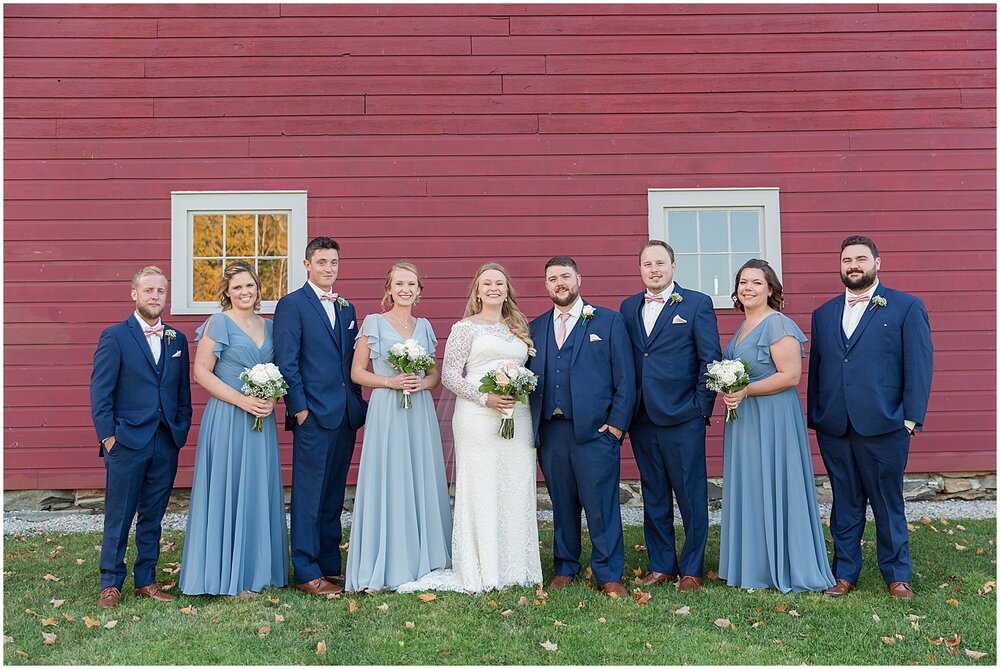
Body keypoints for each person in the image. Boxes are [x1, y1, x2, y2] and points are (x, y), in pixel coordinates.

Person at [397, 263, 542, 594]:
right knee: (483, 485)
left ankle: (517, 567)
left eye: (499, 283)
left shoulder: (517, 328)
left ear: (507, 291)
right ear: (477, 291)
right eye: (486, 283)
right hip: (477, 416)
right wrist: (485, 398)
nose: (493, 288)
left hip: (516, 415)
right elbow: (449, 375)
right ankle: (483, 569)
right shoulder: (465, 328)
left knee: (515, 484)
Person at [807, 236, 933, 600]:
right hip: (835, 426)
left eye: (861, 258)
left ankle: (897, 575)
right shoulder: (824, 313)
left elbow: (919, 365)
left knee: (887, 502)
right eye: (847, 260)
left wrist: (910, 418)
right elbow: (819, 368)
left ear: (878, 262)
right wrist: (818, 415)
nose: (853, 265)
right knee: (844, 503)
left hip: (885, 424)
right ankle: (844, 574)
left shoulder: (906, 307)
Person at [717, 259, 835, 593]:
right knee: (752, 485)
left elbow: (791, 376)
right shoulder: (742, 327)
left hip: (773, 418)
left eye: (756, 282)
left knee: (775, 482)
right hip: (745, 420)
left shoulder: (777, 324)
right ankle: (754, 566)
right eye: (743, 282)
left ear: (770, 289)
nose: (748, 288)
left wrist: (745, 389)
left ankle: (788, 565)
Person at [528, 256, 636, 597]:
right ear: (545, 285)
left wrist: (616, 427)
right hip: (551, 430)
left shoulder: (608, 322)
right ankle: (565, 566)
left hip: (596, 432)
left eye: (565, 276)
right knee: (561, 502)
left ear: (578, 280)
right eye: (552, 278)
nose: (559, 283)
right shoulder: (536, 327)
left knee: (601, 504)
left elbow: (626, 379)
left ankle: (607, 572)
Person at [180, 262, 289, 597]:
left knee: (257, 487)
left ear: (258, 290)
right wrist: (243, 401)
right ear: (227, 291)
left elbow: (278, 369)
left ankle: (259, 569)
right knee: (229, 487)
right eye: (238, 287)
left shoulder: (269, 326)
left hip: (261, 420)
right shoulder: (219, 323)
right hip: (228, 417)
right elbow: (202, 372)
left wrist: (271, 397)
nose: (245, 292)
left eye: (250, 286)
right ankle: (227, 574)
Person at [619, 240, 721, 593]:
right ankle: (661, 564)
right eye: (648, 264)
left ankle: (692, 567)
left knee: (691, 495)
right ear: (641, 269)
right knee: (654, 493)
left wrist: (700, 408)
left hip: (683, 416)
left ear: (673, 266)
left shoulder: (696, 304)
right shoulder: (628, 306)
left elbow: (710, 358)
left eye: (660, 263)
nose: (654, 270)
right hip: (642, 417)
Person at [345, 262, 452, 592]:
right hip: (387, 410)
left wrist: (424, 384)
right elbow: (357, 373)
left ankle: (426, 556)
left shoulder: (424, 327)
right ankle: (388, 560)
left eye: (412, 284)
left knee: (420, 476)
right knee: (389, 477)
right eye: (399, 284)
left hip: (418, 410)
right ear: (388, 289)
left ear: (419, 290)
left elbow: (434, 374)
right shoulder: (373, 323)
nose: (405, 289)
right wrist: (390, 381)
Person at [90, 266, 192, 608]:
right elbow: (100, 393)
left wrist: (179, 429)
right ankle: (111, 582)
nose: (154, 296)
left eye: (160, 291)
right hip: (127, 442)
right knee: (118, 515)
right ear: (134, 294)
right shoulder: (115, 336)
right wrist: (109, 439)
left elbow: (182, 394)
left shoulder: (177, 340)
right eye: (148, 290)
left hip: (165, 441)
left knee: (153, 515)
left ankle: (146, 579)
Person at [273, 237, 367, 595]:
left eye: (334, 262)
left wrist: (355, 402)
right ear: (307, 264)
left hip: (344, 414)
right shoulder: (292, 305)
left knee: (332, 494)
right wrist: (299, 409)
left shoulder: (346, 307)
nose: (329, 268)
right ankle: (306, 570)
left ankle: (330, 565)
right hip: (312, 415)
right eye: (322, 262)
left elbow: (350, 361)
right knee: (309, 495)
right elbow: (287, 360)